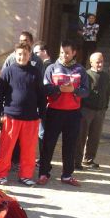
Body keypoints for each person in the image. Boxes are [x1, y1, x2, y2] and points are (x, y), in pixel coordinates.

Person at [0, 42, 45, 186]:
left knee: (28, 151)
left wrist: (41, 115)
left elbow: (41, 95)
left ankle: (26, 175)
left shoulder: (35, 72)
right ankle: (1, 174)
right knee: (6, 149)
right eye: (19, 54)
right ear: (15, 54)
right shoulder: (8, 71)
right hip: (11, 116)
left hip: (31, 118)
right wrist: (0, 114)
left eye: (25, 54)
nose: (22, 56)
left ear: (30, 55)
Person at [37, 40, 88, 187]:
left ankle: (67, 175)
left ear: (73, 53)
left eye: (67, 52)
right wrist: (59, 89)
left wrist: (74, 90)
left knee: (70, 145)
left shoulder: (80, 70)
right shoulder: (51, 68)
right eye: (61, 52)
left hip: (73, 113)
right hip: (54, 112)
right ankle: (43, 173)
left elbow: (86, 91)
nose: (64, 55)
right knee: (48, 144)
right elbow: (45, 89)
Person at [75, 52, 110, 170]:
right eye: (97, 62)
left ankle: (89, 159)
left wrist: (105, 106)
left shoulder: (105, 76)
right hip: (86, 110)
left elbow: (107, 92)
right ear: (91, 63)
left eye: (102, 61)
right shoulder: (86, 75)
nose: (100, 64)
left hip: (100, 111)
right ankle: (77, 161)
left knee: (95, 137)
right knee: (81, 136)